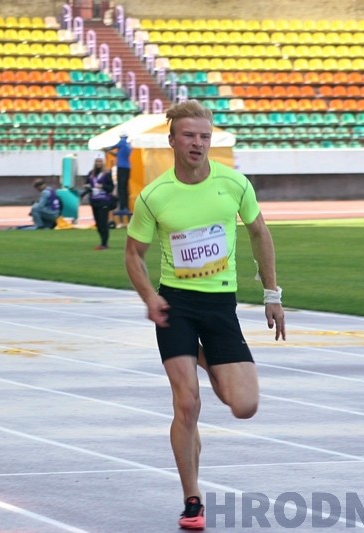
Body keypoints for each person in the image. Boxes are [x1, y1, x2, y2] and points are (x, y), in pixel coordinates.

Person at [123, 100, 286, 530]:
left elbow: (259, 232)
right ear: (172, 140)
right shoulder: (155, 195)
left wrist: (272, 294)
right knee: (187, 403)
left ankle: (200, 354)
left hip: (220, 307)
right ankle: (192, 499)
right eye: (189, 136)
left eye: (204, 136)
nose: (197, 143)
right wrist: (149, 297)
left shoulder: (233, 184)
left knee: (244, 405)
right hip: (176, 305)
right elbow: (133, 254)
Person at [81, 156, 116, 249]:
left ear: (103, 163)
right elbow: (87, 184)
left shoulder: (107, 174)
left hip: (104, 200)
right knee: (98, 223)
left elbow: (111, 188)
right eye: (97, 161)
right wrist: (86, 187)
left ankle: (104, 243)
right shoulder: (91, 174)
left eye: (100, 161)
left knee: (103, 222)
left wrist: (102, 186)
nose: (98, 163)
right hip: (94, 201)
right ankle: (103, 241)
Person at [104, 131, 132, 214]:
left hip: (121, 167)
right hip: (127, 167)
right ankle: (126, 206)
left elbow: (112, 147)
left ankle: (122, 207)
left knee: (121, 188)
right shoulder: (128, 145)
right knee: (125, 188)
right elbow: (118, 155)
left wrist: (106, 149)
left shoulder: (122, 142)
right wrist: (109, 152)